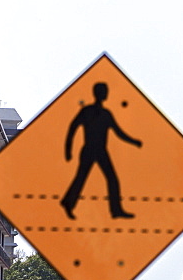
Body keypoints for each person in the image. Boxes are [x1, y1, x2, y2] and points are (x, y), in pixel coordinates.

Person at [61, 82, 142, 219]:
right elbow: (72, 128)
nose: (106, 93)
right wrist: (68, 151)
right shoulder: (87, 111)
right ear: (98, 93)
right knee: (81, 178)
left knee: (112, 178)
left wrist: (134, 142)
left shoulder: (106, 114)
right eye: (104, 91)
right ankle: (68, 203)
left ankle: (116, 210)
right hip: (89, 150)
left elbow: (118, 132)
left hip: (101, 151)